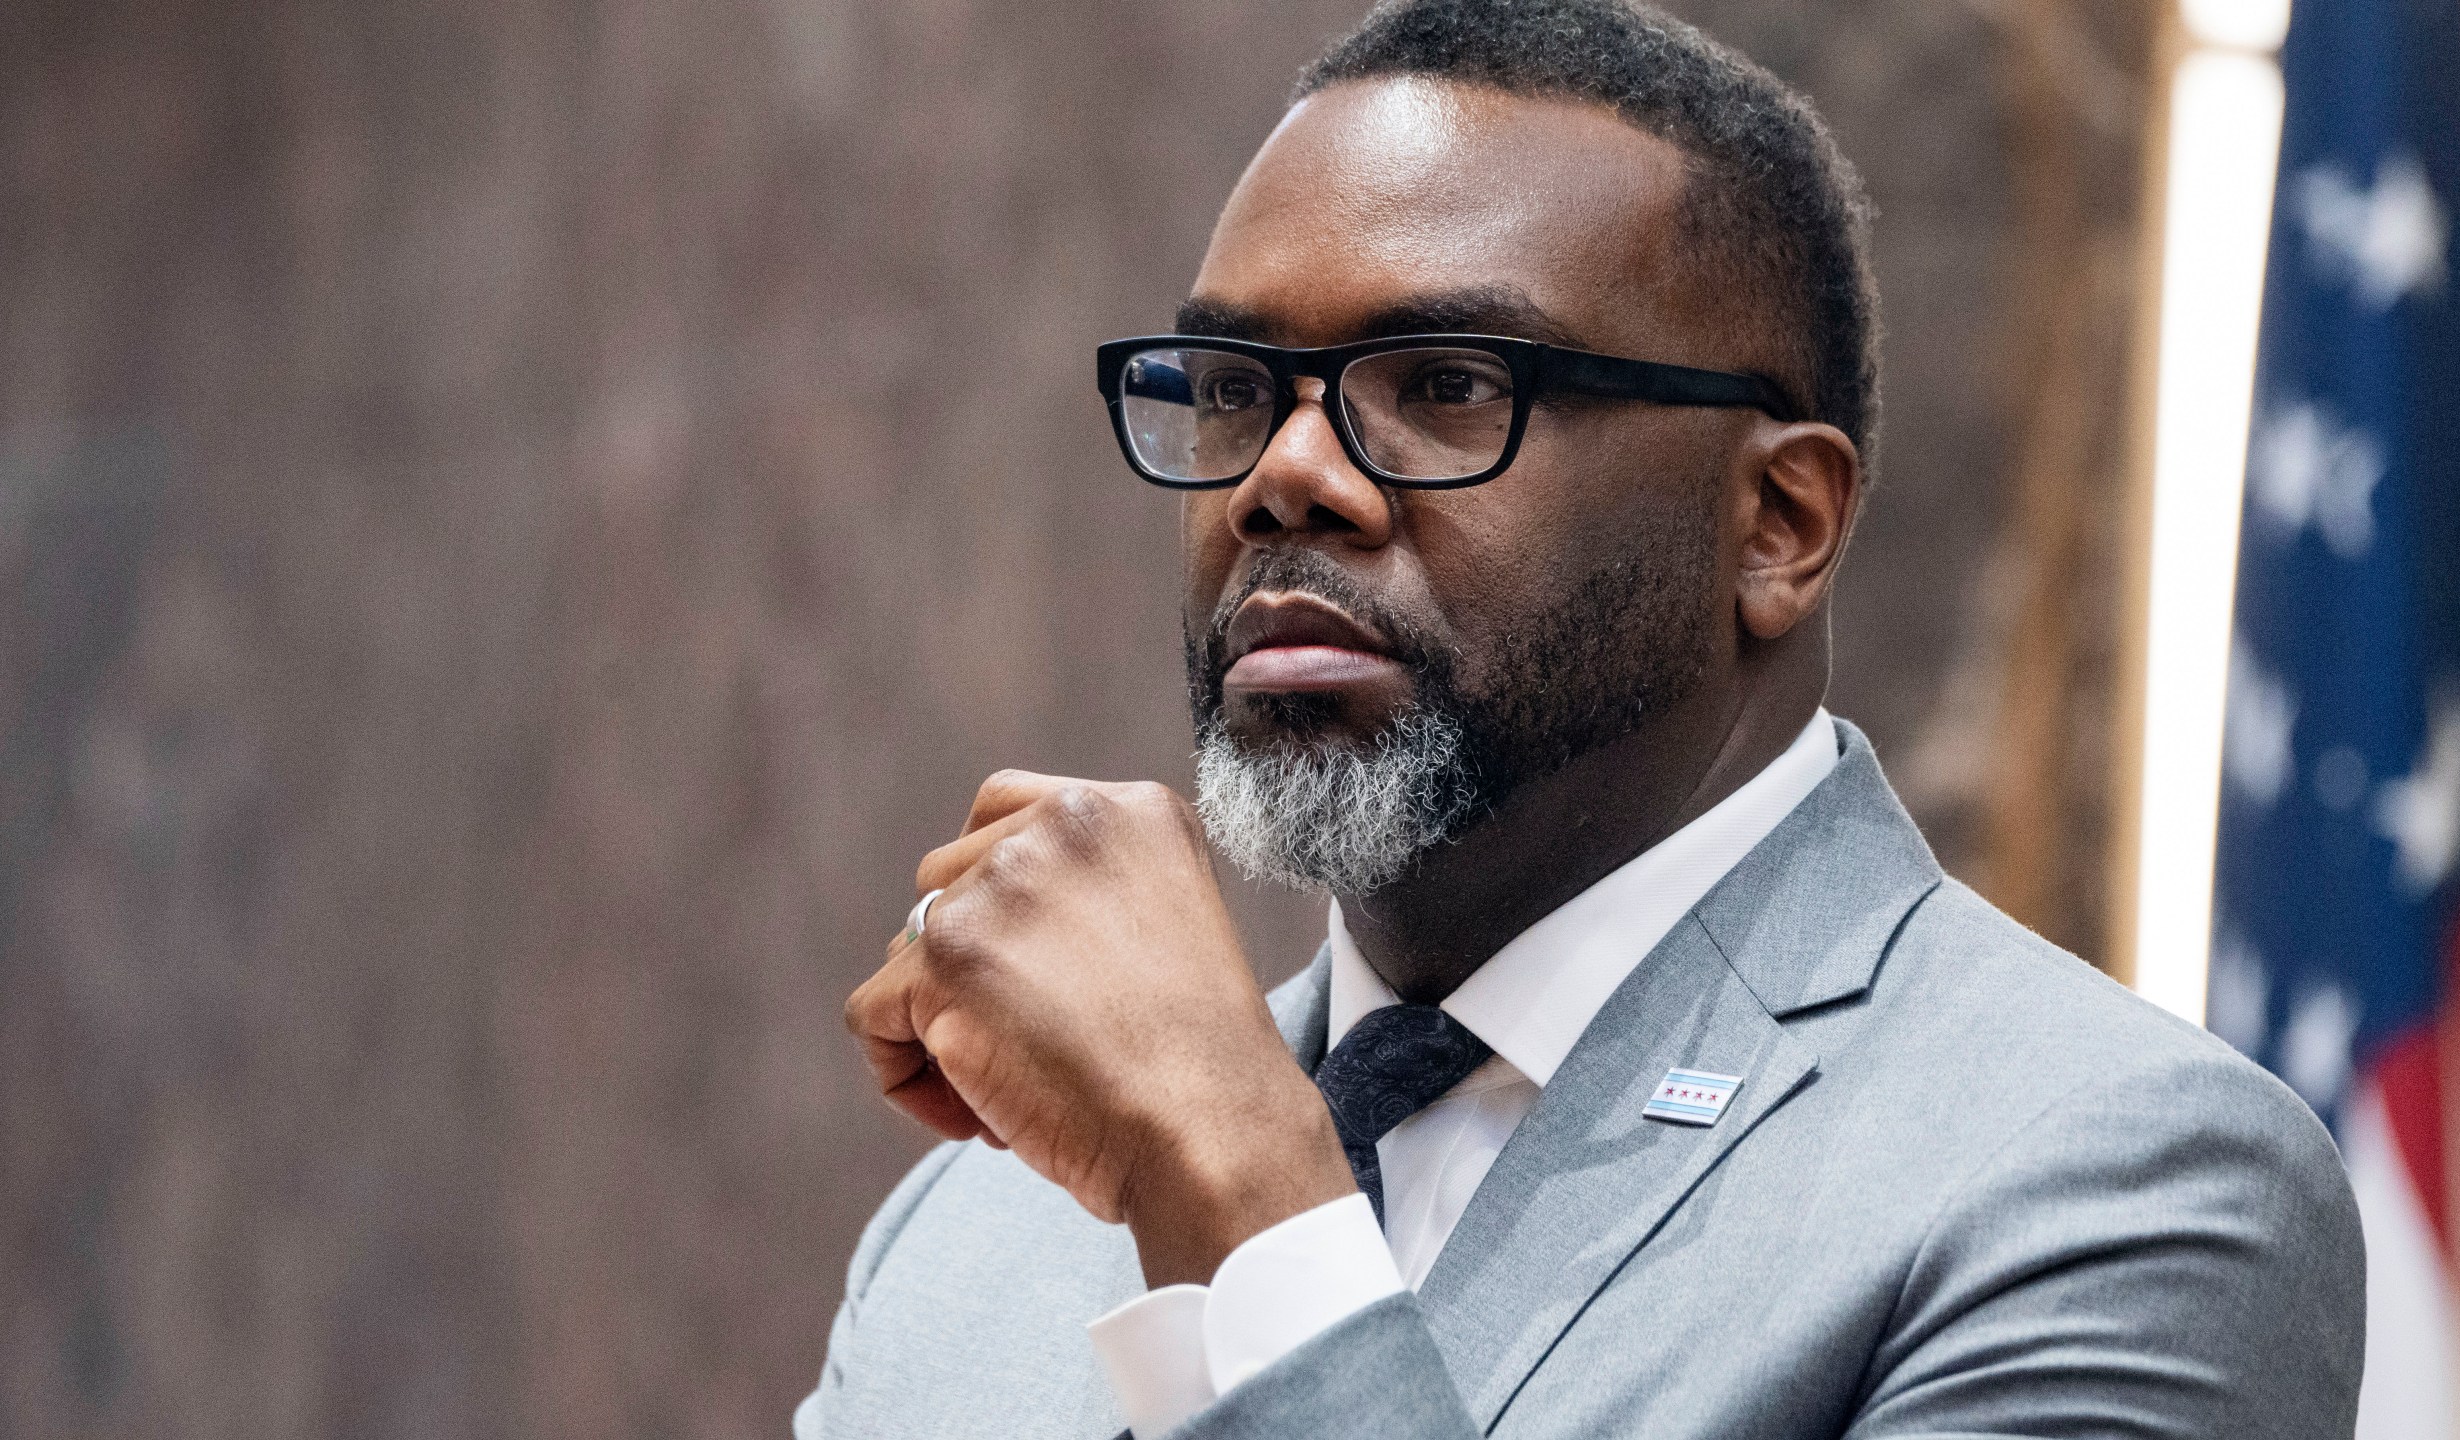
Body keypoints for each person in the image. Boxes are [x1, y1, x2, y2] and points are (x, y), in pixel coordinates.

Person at [795, 1, 2364, 1435]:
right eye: (1232, 387)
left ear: (1778, 524)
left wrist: (1232, 1177)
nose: (1285, 475)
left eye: (1450, 384)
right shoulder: (980, 1230)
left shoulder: (2116, 1184)